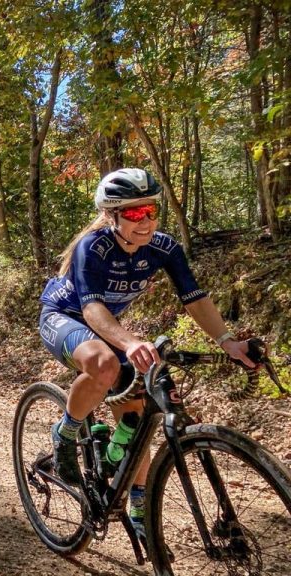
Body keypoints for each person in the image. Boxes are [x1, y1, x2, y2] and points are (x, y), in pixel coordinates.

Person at [38, 168, 254, 544]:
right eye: (134, 214)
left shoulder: (164, 247)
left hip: (107, 326)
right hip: (65, 317)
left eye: (151, 211)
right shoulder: (94, 247)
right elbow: (91, 310)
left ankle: (138, 501)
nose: (146, 221)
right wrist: (131, 342)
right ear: (112, 215)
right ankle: (67, 430)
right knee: (104, 363)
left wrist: (227, 342)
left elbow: (195, 299)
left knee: (137, 419)